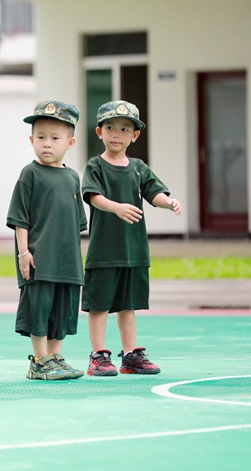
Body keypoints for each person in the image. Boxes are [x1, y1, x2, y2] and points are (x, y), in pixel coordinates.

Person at [81, 100, 182, 376]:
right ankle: (99, 356)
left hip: (133, 250)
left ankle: (130, 355)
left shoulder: (138, 167)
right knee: (100, 304)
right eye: (110, 127)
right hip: (104, 251)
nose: (117, 134)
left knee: (128, 305)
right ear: (99, 132)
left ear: (134, 136)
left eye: (125, 129)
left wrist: (168, 202)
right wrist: (116, 206)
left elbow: (154, 193)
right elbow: (93, 196)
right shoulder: (95, 166)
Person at [6, 101, 86, 380]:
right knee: (39, 309)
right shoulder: (30, 174)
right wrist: (23, 252)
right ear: (31, 140)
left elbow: (76, 225)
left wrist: (75, 261)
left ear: (70, 142)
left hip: (66, 263)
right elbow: (20, 219)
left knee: (61, 310)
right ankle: (39, 360)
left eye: (55, 138)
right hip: (39, 259)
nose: (47, 144)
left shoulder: (72, 178)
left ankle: (55, 356)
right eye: (41, 137)